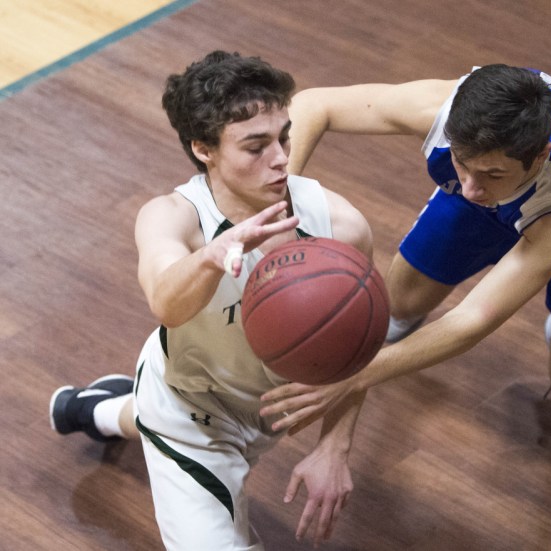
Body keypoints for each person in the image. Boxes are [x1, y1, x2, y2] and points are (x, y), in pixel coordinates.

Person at [49, 51, 373, 550]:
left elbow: (360, 345)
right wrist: (210, 257)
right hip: (188, 410)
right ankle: (115, 409)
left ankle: (93, 409)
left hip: (267, 406)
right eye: (255, 146)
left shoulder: (340, 226)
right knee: (163, 421)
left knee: (146, 415)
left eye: (284, 136)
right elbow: (165, 302)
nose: (283, 158)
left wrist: (335, 445)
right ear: (204, 149)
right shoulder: (172, 217)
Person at [259, 64, 551, 445]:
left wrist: (359, 375)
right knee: (399, 301)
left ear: (539, 156)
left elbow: (474, 317)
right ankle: (490, 188)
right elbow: (313, 105)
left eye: (491, 173)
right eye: (461, 164)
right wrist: (277, 206)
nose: (468, 186)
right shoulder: (445, 112)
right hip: (502, 199)